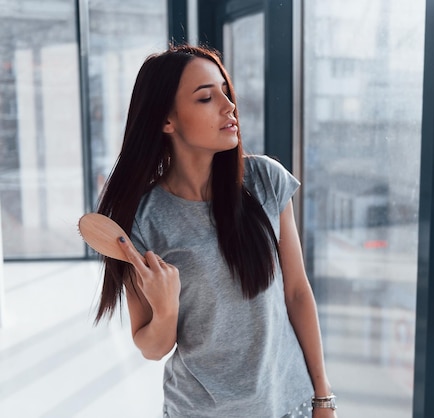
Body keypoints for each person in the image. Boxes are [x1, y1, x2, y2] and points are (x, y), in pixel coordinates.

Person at [94, 44, 338, 418]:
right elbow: (153, 346)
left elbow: (297, 293)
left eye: (225, 91)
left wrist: (323, 397)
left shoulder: (265, 181)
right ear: (166, 120)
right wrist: (166, 307)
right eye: (207, 97)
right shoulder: (141, 220)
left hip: (289, 403)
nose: (229, 106)